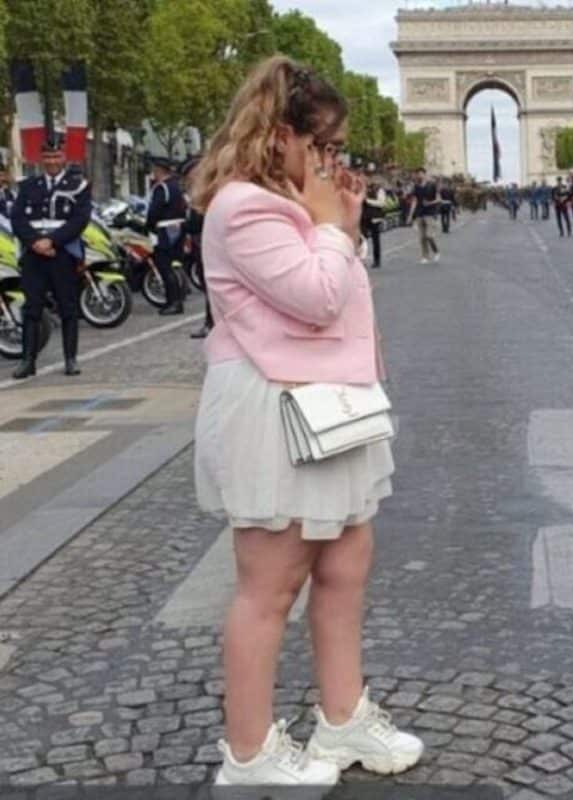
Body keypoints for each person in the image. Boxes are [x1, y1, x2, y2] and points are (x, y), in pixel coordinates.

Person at [189, 56, 424, 789]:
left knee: (348, 560)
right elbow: (318, 299)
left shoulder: (293, 207)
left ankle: (343, 715)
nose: (334, 161)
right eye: (324, 146)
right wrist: (333, 229)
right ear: (282, 135)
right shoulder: (243, 207)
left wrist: (339, 226)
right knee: (270, 585)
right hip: (275, 406)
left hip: (328, 401)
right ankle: (250, 754)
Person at [10, 133, 91, 379]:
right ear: (41, 158)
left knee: (67, 306)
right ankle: (27, 360)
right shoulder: (27, 186)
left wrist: (52, 241)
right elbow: (17, 219)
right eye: (47, 156)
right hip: (34, 254)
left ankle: (70, 359)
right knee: (32, 308)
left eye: (56, 155)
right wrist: (35, 242)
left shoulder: (78, 186)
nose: (52, 161)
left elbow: (79, 219)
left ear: (64, 157)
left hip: (62, 253)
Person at [146, 156, 189, 316]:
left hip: (165, 229)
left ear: (159, 170)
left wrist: (149, 226)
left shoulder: (161, 188)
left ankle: (174, 302)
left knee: (164, 266)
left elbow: (154, 212)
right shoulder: (177, 186)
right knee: (173, 264)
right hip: (179, 227)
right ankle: (178, 298)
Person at [180, 157, 213, 339]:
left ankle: (211, 323)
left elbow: (197, 221)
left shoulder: (206, 193)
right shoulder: (199, 192)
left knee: (210, 286)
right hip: (200, 242)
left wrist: (183, 226)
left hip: (204, 242)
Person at [411, 168, 440, 264]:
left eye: (420, 174)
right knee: (422, 237)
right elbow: (414, 201)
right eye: (417, 174)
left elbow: (439, 199)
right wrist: (411, 214)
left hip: (430, 213)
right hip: (419, 213)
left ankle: (436, 251)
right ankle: (425, 256)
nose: (418, 176)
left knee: (429, 235)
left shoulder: (432, 185)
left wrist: (430, 203)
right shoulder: (416, 186)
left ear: (424, 174)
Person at [361, 182, 386, 269]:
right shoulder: (362, 188)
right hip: (364, 217)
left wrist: (367, 200)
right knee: (361, 239)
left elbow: (381, 203)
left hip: (375, 217)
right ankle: (361, 259)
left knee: (376, 240)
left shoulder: (379, 189)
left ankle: (377, 260)